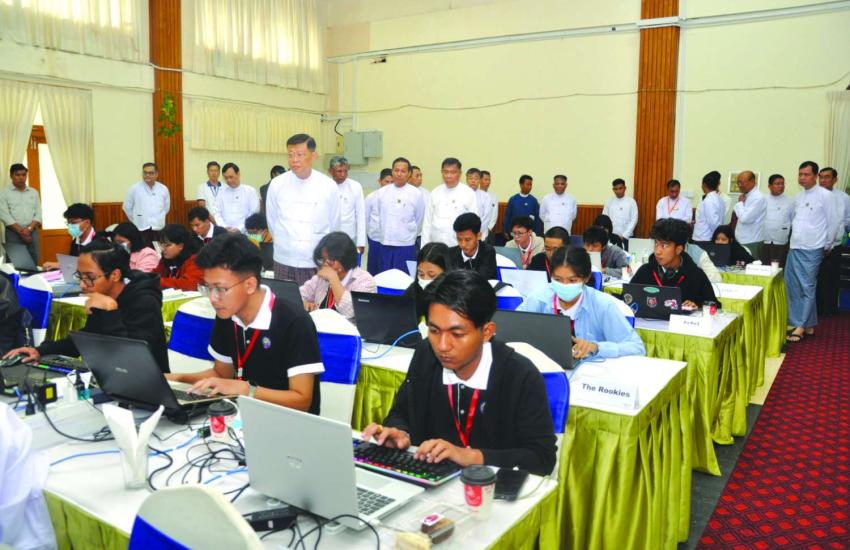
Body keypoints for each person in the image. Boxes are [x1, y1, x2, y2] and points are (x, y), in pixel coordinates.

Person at [361, 270, 557, 476]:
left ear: (487, 332)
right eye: (434, 331)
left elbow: (542, 458)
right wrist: (400, 433)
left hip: (492, 488)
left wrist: (472, 457)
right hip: (429, 480)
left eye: (457, 334)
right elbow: (402, 412)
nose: (442, 346)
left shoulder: (519, 375)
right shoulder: (426, 354)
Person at [166, 234, 323, 412]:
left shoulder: (294, 322)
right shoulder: (227, 314)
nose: (213, 298)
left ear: (249, 285)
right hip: (241, 416)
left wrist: (247, 390)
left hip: (289, 422)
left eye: (220, 288)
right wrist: (176, 378)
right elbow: (221, 374)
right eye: (208, 287)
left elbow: (302, 401)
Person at [5, 241, 169, 372]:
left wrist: (110, 311)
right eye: (80, 276)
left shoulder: (145, 301)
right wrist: (41, 351)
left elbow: (131, 359)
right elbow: (88, 338)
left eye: (90, 277)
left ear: (115, 275)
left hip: (147, 383)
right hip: (111, 376)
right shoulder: (102, 296)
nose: (82, 285)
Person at [518, 247, 645, 359]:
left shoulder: (602, 305)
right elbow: (513, 331)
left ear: (586, 277)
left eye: (572, 280)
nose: (564, 285)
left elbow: (637, 348)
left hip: (590, 372)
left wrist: (596, 347)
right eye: (557, 279)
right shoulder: (539, 298)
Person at [266, 134, 341, 285]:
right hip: (284, 259)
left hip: (315, 261)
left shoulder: (328, 186)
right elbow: (272, 221)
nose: (294, 160)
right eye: (290, 155)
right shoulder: (277, 184)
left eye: (300, 155)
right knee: (285, 299)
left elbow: (334, 224)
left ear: (313, 155)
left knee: (315, 300)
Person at [785, 161, 836, 343]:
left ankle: (800, 325)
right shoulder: (798, 197)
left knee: (807, 286)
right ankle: (808, 324)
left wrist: (828, 245)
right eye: (800, 174)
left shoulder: (826, 196)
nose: (802, 178)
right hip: (795, 246)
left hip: (813, 248)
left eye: (806, 174)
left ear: (815, 176)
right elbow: (794, 220)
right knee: (793, 286)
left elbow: (833, 222)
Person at [631, 218, 720, 309]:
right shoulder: (645, 271)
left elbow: (713, 306)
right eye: (656, 244)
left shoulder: (696, 275)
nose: (657, 251)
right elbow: (628, 299)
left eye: (664, 245)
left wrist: (697, 307)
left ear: (678, 249)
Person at [299, 232, 376, 322]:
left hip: (349, 329)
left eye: (331, 260)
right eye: (322, 259)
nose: (325, 264)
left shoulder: (365, 281)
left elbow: (350, 312)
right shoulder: (321, 278)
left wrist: (333, 279)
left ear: (346, 258)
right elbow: (298, 296)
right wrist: (304, 303)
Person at [375, 157, 425, 272]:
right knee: (385, 277)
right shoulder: (382, 192)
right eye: (396, 170)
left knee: (405, 278)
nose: (399, 174)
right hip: (385, 243)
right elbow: (380, 216)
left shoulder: (416, 194)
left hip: (406, 245)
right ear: (392, 171)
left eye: (403, 171)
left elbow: (419, 219)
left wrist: (409, 235)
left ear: (409, 174)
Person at [421, 158, 479, 246]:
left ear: (460, 173)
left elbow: (474, 223)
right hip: (436, 245)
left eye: (453, 172)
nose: (448, 175)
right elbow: (427, 223)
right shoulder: (435, 192)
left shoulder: (468, 193)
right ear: (442, 172)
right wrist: (424, 247)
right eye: (445, 172)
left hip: (458, 245)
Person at [815, 167, 848, 318]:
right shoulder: (813, 195)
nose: (823, 180)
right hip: (815, 244)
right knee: (816, 278)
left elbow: (848, 219)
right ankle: (816, 309)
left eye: (827, 177)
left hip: (835, 245)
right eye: (821, 177)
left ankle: (829, 309)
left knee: (831, 277)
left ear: (835, 179)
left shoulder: (843, 197)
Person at [1, 163, 41, 269]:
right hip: (13, 232)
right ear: (11, 176)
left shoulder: (33, 192)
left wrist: (29, 229)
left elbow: (38, 213)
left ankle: (33, 278)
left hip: (31, 231)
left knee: (34, 259)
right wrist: (21, 231)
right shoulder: (4, 193)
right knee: (14, 262)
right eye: (17, 175)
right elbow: (4, 214)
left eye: (24, 175)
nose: (21, 178)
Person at [123, 162, 170, 247]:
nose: (147, 175)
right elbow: (127, 207)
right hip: (141, 227)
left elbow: (166, 208)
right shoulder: (134, 188)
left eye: (151, 173)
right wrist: (137, 219)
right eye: (145, 173)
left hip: (158, 228)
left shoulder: (163, 189)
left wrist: (158, 217)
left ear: (156, 174)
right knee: (142, 251)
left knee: (158, 251)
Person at [42, 203, 98, 270]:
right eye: (68, 223)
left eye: (73, 222)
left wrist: (60, 265)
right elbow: (72, 265)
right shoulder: (75, 242)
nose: (70, 226)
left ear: (87, 223)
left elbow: (94, 267)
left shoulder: (100, 242)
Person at [329, 156, 366, 254]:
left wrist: (361, 242)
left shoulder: (355, 186)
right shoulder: (324, 186)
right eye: (339, 171)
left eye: (345, 171)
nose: (343, 174)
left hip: (349, 237)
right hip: (329, 238)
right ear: (330, 171)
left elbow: (361, 215)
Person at [403, 242, 450, 319]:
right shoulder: (411, 294)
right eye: (421, 274)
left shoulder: (457, 298)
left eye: (432, 275)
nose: (425, 279)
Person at [448, 213, 497, 280]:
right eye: (459, 239)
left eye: (467, 240)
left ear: (479, 236)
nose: (463, 244)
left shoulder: (488, 252)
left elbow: (480, 280)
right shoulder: (450, 254)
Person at [155, 224, 204, 291]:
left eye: (167, 245)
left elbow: (189, 284)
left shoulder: (194, 260)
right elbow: (154, 275)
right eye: (161, 245)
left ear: (181, 246)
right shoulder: (166, 258)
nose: (163, 249)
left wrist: (158, 282)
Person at [215, 163, 260, 233]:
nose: (228, 180)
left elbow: (254, 213)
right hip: (225, 233)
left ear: (238, 174)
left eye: (231, 177)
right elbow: (217, 213)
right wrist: (224, 227)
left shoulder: (250, 191)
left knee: (256, 239)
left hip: (248, 232)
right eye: (226, 178)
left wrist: (240, 228)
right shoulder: (221, 192)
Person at [731, 171, 766, 259]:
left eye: (742, 182)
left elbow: (745, 219)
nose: (739, 185)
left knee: (751, 266)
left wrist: (740, 204)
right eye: (738, 182)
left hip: (751, 241)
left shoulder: (758, 197)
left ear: (752, 181)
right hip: (741, 240)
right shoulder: (746, 196)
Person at [364, 168, 393, 275]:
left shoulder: (398, 197)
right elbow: (366, 218)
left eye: (392, 182)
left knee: (388, 269)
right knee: (374, 268)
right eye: (387, 181)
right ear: (380, 181)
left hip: (391, 240)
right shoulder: (371, 197)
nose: (389, 185)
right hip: (375, 239)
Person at [761, 174, 794, 267]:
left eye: (782, 184)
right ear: (769, 186)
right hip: (764, 240)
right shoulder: (763, 199)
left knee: (778, 267)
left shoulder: (791, 201)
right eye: (777, 184)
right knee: (764, 267)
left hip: (781, 241)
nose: (781, 186)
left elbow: (793, 220)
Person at [692, 170, 726, 246]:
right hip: (710, 238)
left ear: (704, 185)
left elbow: (713, 222)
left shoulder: (708, 201)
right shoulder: (720, 199)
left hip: (704, 239)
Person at [601, 178, 638, 247]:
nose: (618, 191)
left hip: (627, 237)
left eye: (620, 188)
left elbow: (634, 220)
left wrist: (624, 236)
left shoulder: (631, 202)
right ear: (613, 190)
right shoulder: (609, 202)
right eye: (616, 189)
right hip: (612, 236)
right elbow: (604, 219)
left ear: (625, 188)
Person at [466, 168, 493, 240]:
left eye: (476, 178)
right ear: (467, 180)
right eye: (470, 178)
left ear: (480, 180)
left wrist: (475, 230)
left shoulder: (486, 196)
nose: (473, 181)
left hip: (480, 233)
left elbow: (487, 216)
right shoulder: (461, 195)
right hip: (464, 233)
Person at [479, 170, 499, 242]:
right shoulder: (475, 195)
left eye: (489, 180)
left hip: (490, 228)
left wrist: (489, 227)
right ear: (480, 180)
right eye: (485, 179)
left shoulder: (493, 196)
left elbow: (494, 213)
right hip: (478, 228)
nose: (488, 182)